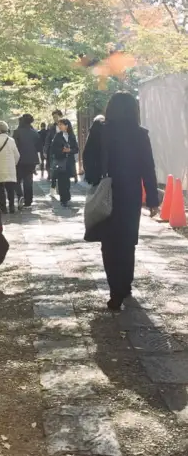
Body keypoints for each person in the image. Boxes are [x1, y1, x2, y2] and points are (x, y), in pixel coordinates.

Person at [82, 93, 159, 311]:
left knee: (109, 243)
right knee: (127, 241)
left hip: (108, 190)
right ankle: (125, 286)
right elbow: (148, 167)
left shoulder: (100, 130)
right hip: (130, 193)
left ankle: (115, 289)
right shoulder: (140, 134)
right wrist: (152, 199)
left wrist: (95, 178)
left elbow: (88, 158)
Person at [50, 118, 78, 208]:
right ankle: (63, 199)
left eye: (61, 124)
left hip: (69, 162)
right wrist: (62, 150)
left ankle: (67, 196)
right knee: (62, 181)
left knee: (67, 181)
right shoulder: (57, 136)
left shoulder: (72, 136)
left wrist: (70, 150)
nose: (59, 126)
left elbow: (76, 149)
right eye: (59, 125)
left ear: (66, 126)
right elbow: (53, 149)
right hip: (60, 161)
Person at [14, 114, 38, 208]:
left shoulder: (17, 132)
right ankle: (28, 200)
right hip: (31, 160)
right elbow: (38, 147)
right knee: (28, 180)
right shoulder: (35, 133)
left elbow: (14, 146)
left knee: (17, 180)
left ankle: (20, 195)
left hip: (19, 159)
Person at [83, 114, 106, 185]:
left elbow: (85, 154)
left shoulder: (92, 134)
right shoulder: (104, 132)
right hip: (101, 168)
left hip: (92, 168)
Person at [45, 110, 63, 183]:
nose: (54, 119)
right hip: (54, 150)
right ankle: (54, 182)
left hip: (63, 150)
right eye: (53, 117)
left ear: (60, 116)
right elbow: (48, 140)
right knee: (53, 166)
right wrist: (45, 150)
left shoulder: (66, 125)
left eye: (56, 117)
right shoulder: (52, 127)